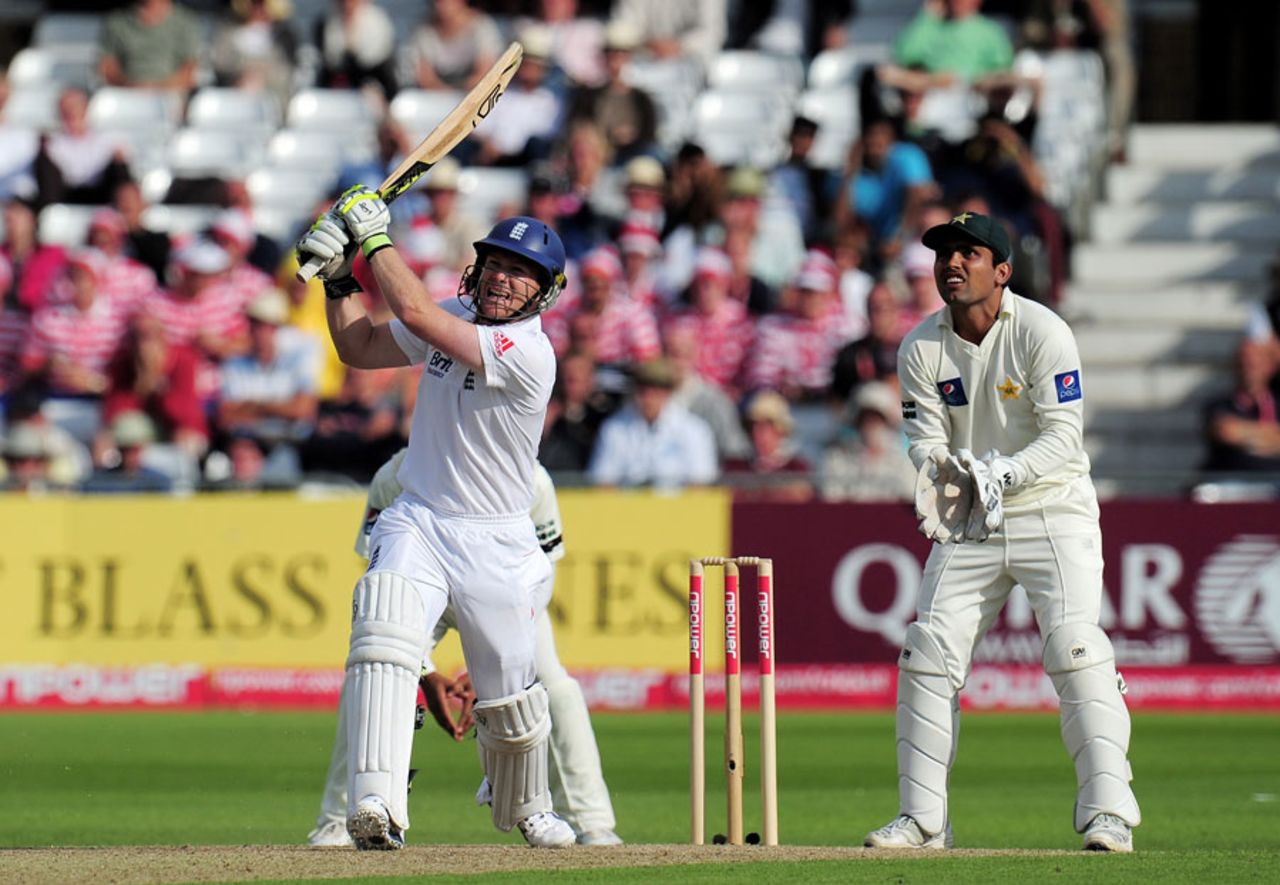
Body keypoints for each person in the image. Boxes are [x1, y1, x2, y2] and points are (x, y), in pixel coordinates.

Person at [295, 190, 575, 848]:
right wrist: (339, 280)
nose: (504, 279)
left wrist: (372, 240)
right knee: (382, 631)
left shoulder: (529, 353)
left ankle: (530, 805)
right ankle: (375, 805)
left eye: (521, 273)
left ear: (543, 293)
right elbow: (359, 347)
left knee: (509, 701)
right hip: (420, 517)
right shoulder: (452, 313)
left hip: (498, 540)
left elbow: (414, 310)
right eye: (497, 264)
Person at [865, 211, 1140, 852]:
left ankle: (1109, 815)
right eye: (943, 256)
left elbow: (1063, 435)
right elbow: (927, 440)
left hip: (1053, 508)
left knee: (1076, 648)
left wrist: (1003, 474)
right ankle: (924, 820)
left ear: (1003, 271)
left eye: (968, 254)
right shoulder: (921, 348)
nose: (952, 265)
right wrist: (946, 480)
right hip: (972, 516)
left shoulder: (1044, 331)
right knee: (927, 652)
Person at [308, 451, 622, 848]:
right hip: (422, 588)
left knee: (555, 687)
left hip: (506, 595)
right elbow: (382, 581)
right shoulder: (394, 475)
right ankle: (338, 820)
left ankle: (591, 824)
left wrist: (495, 665)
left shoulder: (532, 479)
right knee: (374, 668)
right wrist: (424, 670)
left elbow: (540, 576)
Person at [587, 357, 718, 488]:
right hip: (627, 506)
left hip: (677, 506)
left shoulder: (694, 430)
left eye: (656, 391)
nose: (648, 398)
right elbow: (603, 482)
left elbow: (700, 485)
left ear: (668, 392)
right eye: (643, 391)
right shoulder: (614, 428)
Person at [98, 0, 201, 94]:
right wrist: (132, 87)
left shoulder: (185, 22)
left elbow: (190, 70)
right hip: (126, 95)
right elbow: (107, 67)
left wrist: (158, 89)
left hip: (172, 97)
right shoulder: (117, 21)